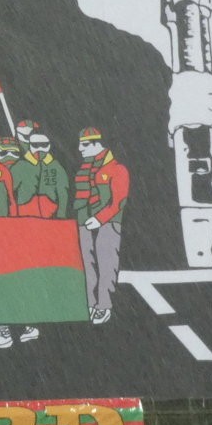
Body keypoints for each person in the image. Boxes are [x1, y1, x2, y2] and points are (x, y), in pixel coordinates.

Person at [73, 127, 128, 326]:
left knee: (106, 264)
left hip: (107, 224)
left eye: (84, 145)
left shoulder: (117, 169)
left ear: (97, 144)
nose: (80, 149)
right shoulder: (83, 169)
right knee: (86, 265)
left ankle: (103, 305)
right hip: (83, 223)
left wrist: (99, 218)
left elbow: (118, 202)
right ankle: (90, 302)